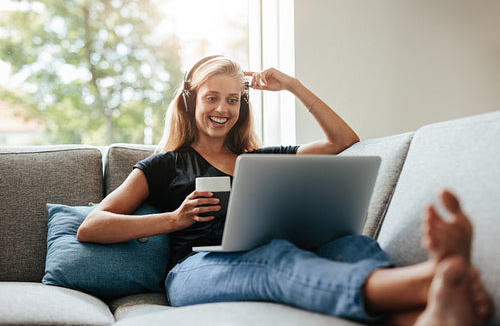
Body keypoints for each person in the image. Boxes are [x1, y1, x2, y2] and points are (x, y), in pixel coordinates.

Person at [77, 55, 493, 325]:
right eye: (212, 98)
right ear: (190, 102)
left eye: (234, 100)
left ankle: (431, 315)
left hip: (279, 250)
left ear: (243, 106)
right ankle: (429, 281)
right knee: (276, 257)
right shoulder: (164, 164)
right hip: (194, 271)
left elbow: (342, 141)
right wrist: (173, 219)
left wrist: (293, 86)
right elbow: (91, 227)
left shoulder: (262, 157)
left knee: (351, 246)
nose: (223, 109)